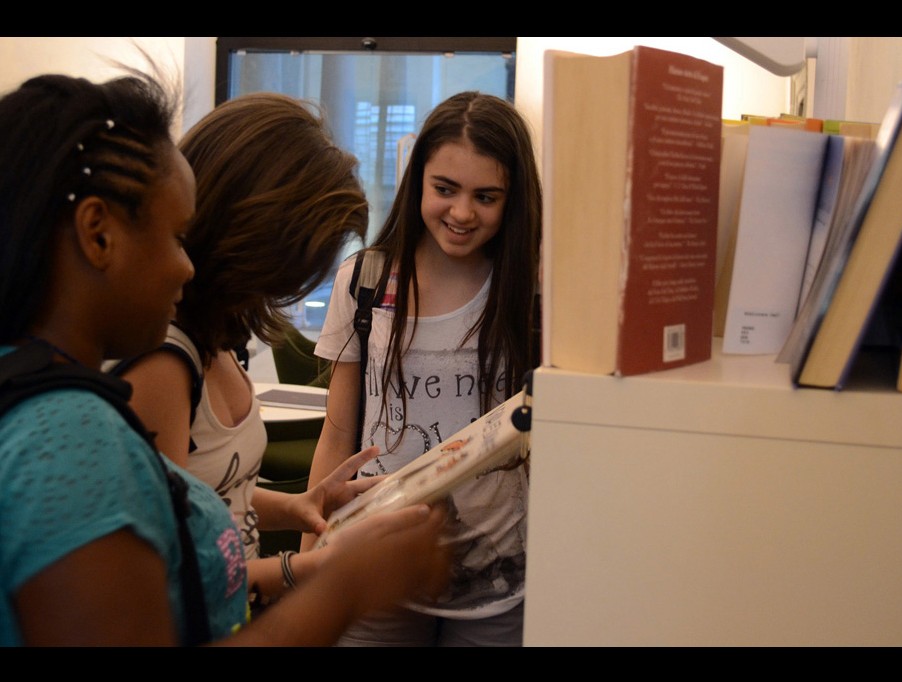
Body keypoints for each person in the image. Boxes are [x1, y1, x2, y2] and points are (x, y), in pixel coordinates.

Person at [0, 68, 449, 647]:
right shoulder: (74, 436)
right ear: (98, 234)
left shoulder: (45, 396)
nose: (185, 266)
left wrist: (302, 515)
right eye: (174, 236)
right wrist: (342, 588)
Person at [113, 91, 391, 604]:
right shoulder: (163, 363)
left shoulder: (214, 338)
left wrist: (300, 506)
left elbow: (210, 493)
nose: (287, 290)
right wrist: (309, 570)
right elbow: (170, 571)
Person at [303, 91, 542, 646]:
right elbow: (338, 431)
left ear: (513, 200)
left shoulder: (530, 291)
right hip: (373, 558)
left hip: (499, 575)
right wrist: (309, 557)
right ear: (418, 184)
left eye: (486, 196)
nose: (462, 213)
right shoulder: (364, 281)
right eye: (445, 189)